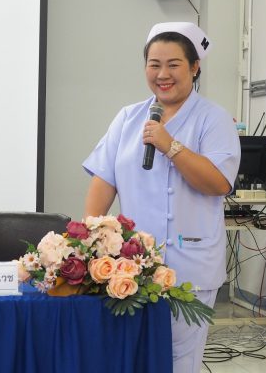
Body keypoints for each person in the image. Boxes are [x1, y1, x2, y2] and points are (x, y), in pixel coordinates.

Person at [82, 22, 241, 373]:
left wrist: (170, 145)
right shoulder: (128, 118)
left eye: (173, 65)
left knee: (178, 362)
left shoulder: (213, 119)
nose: (162, 74)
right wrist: (88, 241)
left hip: (190, 267)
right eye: (154, 65)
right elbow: (104, 180)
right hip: (132, 268)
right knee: (130, 357)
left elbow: (218, 183)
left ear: (194, 67)